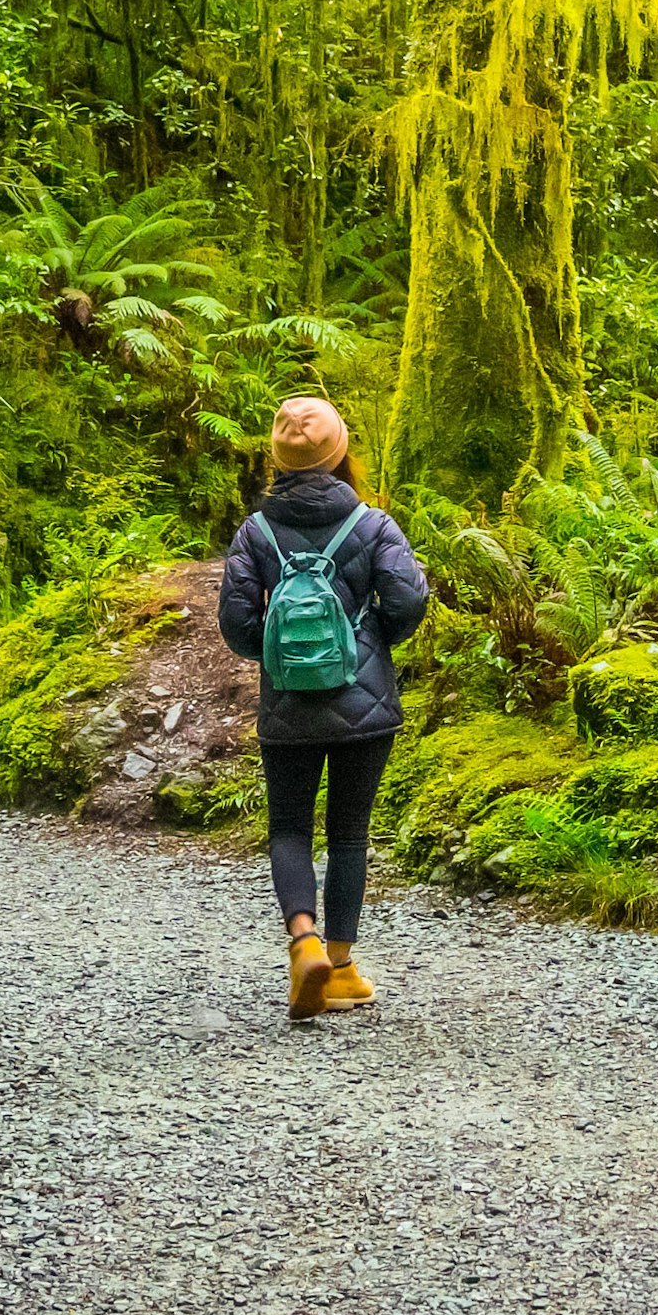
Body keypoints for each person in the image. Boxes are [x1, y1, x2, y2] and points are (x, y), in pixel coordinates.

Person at [216, 396, 430, 1021]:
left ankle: (301, 939)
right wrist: (369, 644)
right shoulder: (372, 523)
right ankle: (338, 966)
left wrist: (280, 657)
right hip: (365, 707)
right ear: (340, 454)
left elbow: (235, 623)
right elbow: (407, 603)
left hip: (287, 707)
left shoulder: (254, 531)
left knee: (289, 827)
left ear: (277, 459)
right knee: (349, 834)